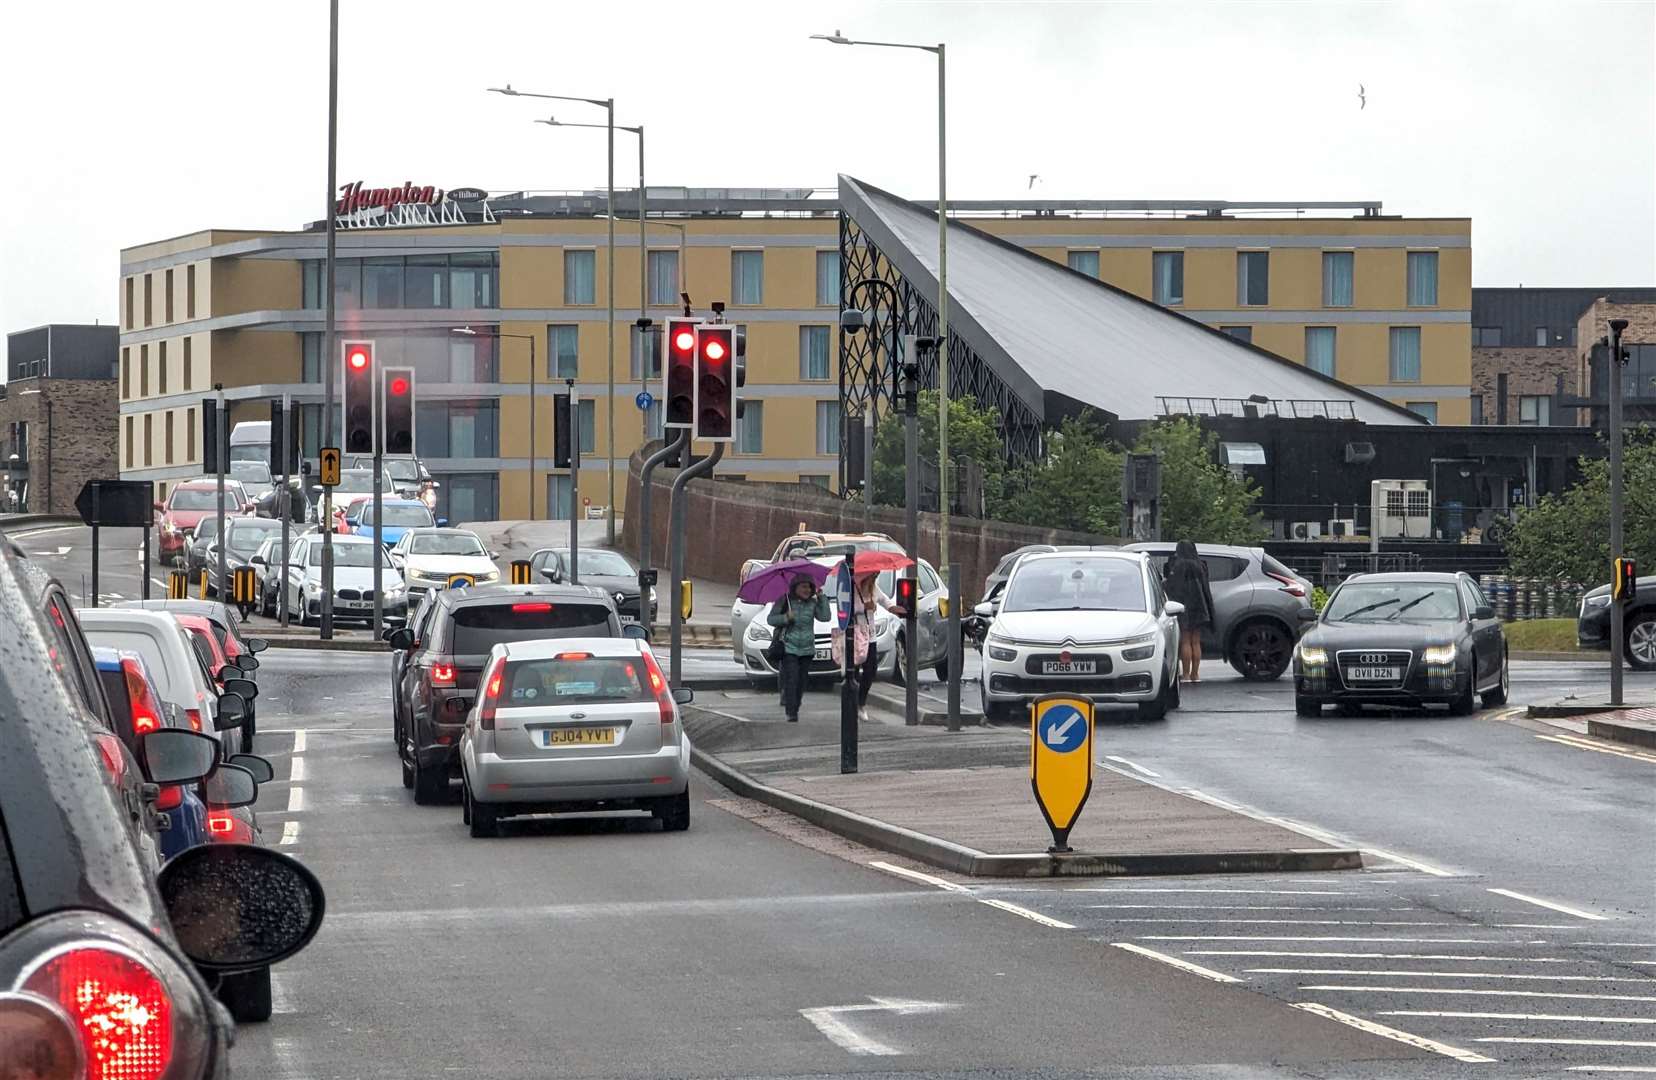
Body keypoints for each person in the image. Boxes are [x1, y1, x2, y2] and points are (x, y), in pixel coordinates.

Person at [767, 574, 829, 723]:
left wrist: (822, 598)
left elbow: (825, 617)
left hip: (807, 649)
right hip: (789, 648)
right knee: (792, 680)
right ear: (795, 588)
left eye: (809, 587)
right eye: (803, 586)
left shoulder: (813, 603)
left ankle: (796, 704)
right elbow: (771, 619)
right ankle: (791, 711)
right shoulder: (785, 601)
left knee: (801, 681)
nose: (807, 590)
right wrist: (786, 618)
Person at [850, 572, 906, 722]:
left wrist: (896, 609)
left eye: (875, 577)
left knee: (870, 669)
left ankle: (861, 702)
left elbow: (885, 602)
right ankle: (853, 703)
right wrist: (864, 606)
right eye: (872, 577)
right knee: (854, 669)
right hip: (856, 634)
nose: (873, 580)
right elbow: (847, 610)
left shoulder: (874, 589)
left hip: (870, 635)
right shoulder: (853, 589)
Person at [1161, 540, 1215, 683]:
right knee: (1195, 642)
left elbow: (1173, 586)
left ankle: (1185, 675)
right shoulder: (1201, 565)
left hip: (1184, 606)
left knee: (1185, 641)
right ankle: (1195, 674)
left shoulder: (1179, 565)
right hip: (1200, 607)